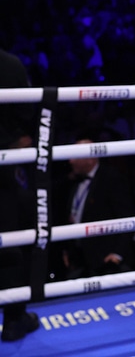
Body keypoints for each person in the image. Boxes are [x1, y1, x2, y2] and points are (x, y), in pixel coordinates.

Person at [0, 48, 40, 342]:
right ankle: (14, 319)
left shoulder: (10, 64)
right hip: (4, 159)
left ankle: (15, 318)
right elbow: (27, 113)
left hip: (6, 158)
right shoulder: (9, 64)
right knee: (10, 239)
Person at [59, 132, 135, 279]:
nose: (70, 161)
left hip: (107, 261)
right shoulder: (73, 181)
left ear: (90, 158)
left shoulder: (112, 178)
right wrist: (67, 250)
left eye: (75, 156)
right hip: (80, 260)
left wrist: (117, 254)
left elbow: (127, 215)